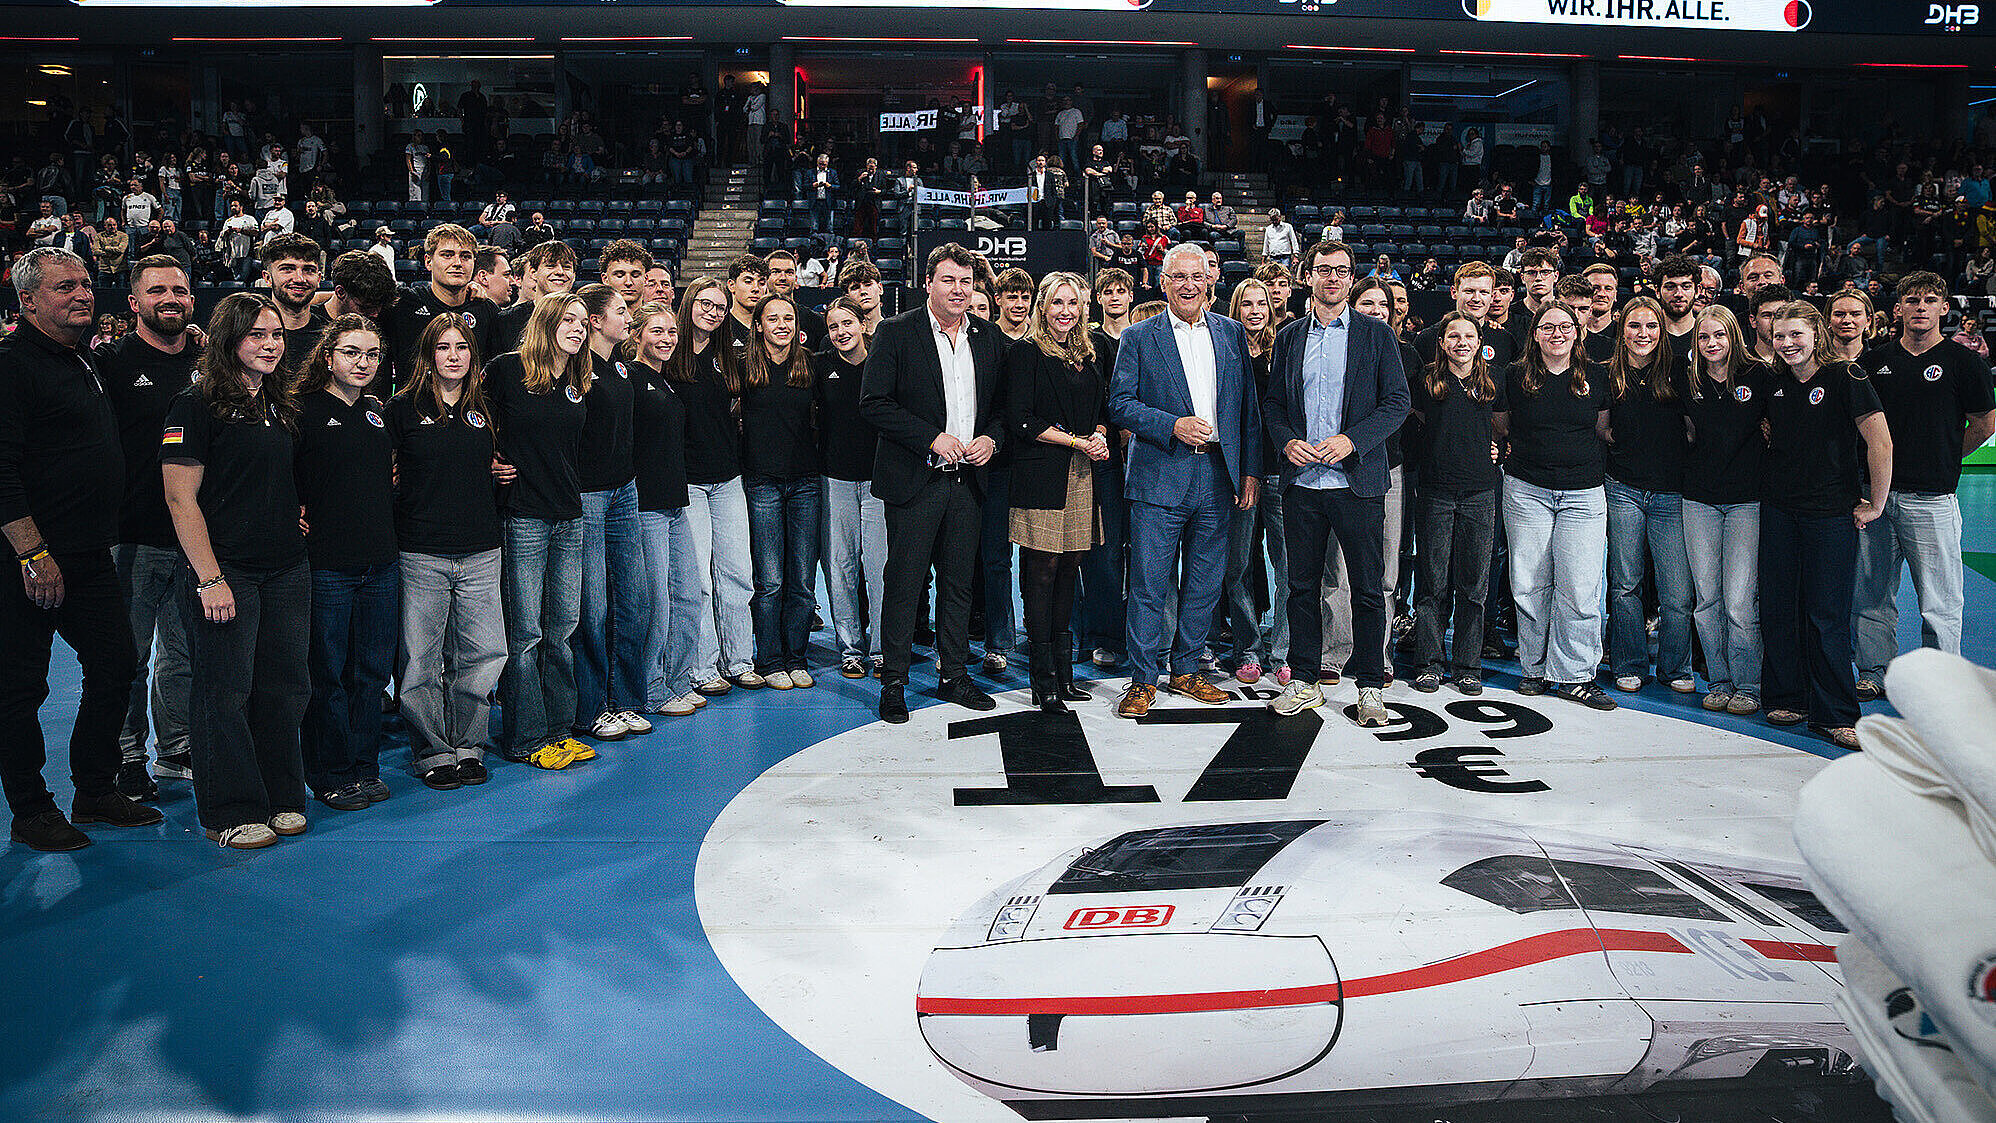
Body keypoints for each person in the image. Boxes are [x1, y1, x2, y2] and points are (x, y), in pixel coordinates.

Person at [0, 248, 159, 852]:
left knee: (116, 665)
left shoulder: (84, 359)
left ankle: (93, 789)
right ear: (28, 299)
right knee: (20, 687)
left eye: (87, 284)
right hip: (28, 560)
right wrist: (30, 551)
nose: (83, 294)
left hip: (89, 554)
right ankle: (30, 808)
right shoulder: (12, 366)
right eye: (65, 286)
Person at [160, 292, 312, 849]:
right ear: (230, 341)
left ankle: (280, 798)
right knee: (224, 692)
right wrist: (209, 577)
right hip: (227, 573)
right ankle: (228, 810)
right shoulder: (194, 404)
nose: (271, 345)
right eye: (257, 335)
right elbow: (181, 500)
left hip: (286, 569)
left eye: (276, 335)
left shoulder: (276, 400)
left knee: (284, 688)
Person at [1109, 243, 1263, 719]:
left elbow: (1248, 411)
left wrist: (1250, 471)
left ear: (1209, 281)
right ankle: (1141, 678)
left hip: (1219, 475)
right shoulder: (1137, 337)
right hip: (1159, 474)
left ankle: (1187, 670)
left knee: (1204, 582)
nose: (1189, 285)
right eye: (1179, 277)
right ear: (1163, 280)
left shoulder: (1233, 333)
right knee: (1150, 585)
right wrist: (1171, 425)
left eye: (1197, 276)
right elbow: (1120, 404)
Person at [860, 243, 1007, 724]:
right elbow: (874, 403)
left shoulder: (988, 337)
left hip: (969, 483)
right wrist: (931, 438)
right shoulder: (895, 332)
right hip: (915, 480)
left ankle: (954, 673)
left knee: (959, 583)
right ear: (929, 283)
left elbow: (1004, 409)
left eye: (966, 281)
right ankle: (895, 681)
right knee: (904, 582)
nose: (958, 290)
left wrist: (991, 437)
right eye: (948, 280)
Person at [1262, 241, 1408, 724]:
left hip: (1358, 482)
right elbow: (1274, 407)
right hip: (1303, 483)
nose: (1333, 278)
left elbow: (1396, 403)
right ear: (1308, 276)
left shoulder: (1375, 334)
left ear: (1351, 278)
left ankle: (1369, 685)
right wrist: (1286, 441)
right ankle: (1304, 680)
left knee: (1367, 589)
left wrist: (1352, 440)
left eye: (1342, 271)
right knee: (1301, 587)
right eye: (1323, 270)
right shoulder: (1288, 337)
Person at [1850, 273, 1994, 700]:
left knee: (1940, 601)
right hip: (1875, 498)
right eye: (1912, 299)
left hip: (1931, 498)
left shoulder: (1966, 363)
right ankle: (1875, 672)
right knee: (1872, 596)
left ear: (1944, 308)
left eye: (1931, 300)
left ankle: (1939, 681)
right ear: (1897, 309)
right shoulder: (1874, 362)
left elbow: (1983, 424)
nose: (1920, 307)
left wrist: (1947, 456)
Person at [1759, 301, 1892, 750]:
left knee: (1827, 613)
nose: (1787, 344)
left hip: (1830, 514)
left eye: (1796, 334)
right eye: (1780, 336)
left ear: (1816, 333)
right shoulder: (1774, 382)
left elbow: (1880, 440)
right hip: (1779, 509)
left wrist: (1877, 503)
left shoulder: (1845, 377)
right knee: (1780, 605)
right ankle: (1786, 697)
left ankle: (1835, 712)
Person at [386, 313, 509, 789]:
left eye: (461, 347)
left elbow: (498, 462)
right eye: (443, 347)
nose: (453, 355)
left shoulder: (486, 410)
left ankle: (469, 746)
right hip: (421, 551)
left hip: (481, 548)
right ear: (428, 356)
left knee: (484, 654)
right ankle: (432, 752)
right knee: (421, 661)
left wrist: (501, 472)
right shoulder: (400, 411)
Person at [98, 257, 198, 802]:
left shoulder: (211, 362)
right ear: (133, 303)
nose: (171, 299)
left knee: (185, 652)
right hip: (130, 535)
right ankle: (126, 754)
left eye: (180, 290)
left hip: (196, 539)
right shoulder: (110, 364)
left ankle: (177, 747)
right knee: (129, 658)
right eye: (157, 290)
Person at [484, 293, 596, 771]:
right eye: (569, 319)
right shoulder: (507, 370)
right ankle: (526, 737)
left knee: (561, 630)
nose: (578, 328)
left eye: (584, 322)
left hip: (569, 515)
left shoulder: (575, 377)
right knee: (525, 633)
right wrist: (485, 461)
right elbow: (474, 422)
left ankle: (559, 729)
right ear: (546, 319)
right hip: (524, 515)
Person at [291, 316, 398, 809]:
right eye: (352, 352)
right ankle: (329, 771)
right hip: (328, 566)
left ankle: (364, 765)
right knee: (327, 674)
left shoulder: (378, 411)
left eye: (372, 354)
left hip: (380, 562)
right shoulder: (302, 411)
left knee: (371, 674)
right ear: (328, 356)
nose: (363, 363)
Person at [1493, 301, 1614, 710]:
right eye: (1548, 327)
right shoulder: (1515, 376)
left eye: (1565, 326)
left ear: (1578, 332)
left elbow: (1602, 427)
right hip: (1527, 489)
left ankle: (1576, 675)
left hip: (1583, 493)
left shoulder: (1596, 376)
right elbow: (1501, 424)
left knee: (1580, 588)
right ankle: (1534, 667)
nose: (1557, 333)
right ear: (1536, 334)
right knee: (1528, 583)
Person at [1005, 272, 1109, 711]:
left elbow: (1102, 408)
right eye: (1056, 303)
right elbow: (1020, 419)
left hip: (1083, 476)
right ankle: (1042, 680)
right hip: (1042, 479)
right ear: (1042, 307)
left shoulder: (1090, 351)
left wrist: (1100, 434)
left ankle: (1064, 678)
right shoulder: (1026, 352)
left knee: (1069, 573)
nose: (1065, 311)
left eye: (1072, 303)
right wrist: (1075, 441)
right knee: (1041, 576)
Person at [570, 284, 653, 742]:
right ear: (596, 321)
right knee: (593, 607)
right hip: (587, 495)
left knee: (632, 600)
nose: (629, 316)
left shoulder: (622, 365)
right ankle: (593, 708)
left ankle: (627, 700)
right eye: (622, 311)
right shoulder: (577, 368)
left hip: (625, 490)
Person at [670, 278, 760, 694]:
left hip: (728, 478)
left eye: (720, 307)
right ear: (688, 304)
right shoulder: (670, 354)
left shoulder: (731, 357)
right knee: (699, 581)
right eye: (704, 304)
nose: (712, 312)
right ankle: (702, 666)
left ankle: (739, 659)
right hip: (687, 481)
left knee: (738, 574)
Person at [1602, 295, 1694, 695]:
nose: (1643, 334)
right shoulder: (1607, 373)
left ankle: (1675, 667)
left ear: (1661, 329)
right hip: (1622, 488)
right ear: (1623, 330)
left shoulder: (1682, 371)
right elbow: (1601, 427)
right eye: (1635, 326)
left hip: (1671, 493)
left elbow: (1694, 429)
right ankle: (1629, 662)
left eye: (1651, 326)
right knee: (1625, 584)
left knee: (1677, 591)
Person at [1408, 312, 1500, 695]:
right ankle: (1429, 662)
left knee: (1474, 586)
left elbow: (1502, 428)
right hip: (1435, 492)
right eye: (1453, 336)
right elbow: (1413, 428)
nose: (1461, 342)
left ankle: (1467, 666)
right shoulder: (1425, 382)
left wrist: (1495, 450)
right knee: (1431, 582)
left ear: (1479, 342)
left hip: (1480, 493)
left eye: (1469, 336)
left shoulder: (1493, 384)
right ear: (1442, 342)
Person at [1680, 304, 1765, 716]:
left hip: (1747, 501)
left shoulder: (1759, 377)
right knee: (1707, 600)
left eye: (1720, 335)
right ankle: (1719, 679)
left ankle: (1749, 684)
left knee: (1738, 601)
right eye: (1703, 337)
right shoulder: (1690, 380)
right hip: (1698, 500)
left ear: (1734, 336)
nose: (1711, 344)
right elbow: (1689, 431)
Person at [624, 301, 704, 718]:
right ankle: (650, 688)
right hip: (646, 506)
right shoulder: (631, 380)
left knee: (688, 596)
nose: (668, 338)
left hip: (675, 503)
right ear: (636, 336)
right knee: (655, 602)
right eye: (657, 331)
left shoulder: (666, 382)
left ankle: (676, 679)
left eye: (672, 331)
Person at [740, 293, 822, 688]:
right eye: (772, 318)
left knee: (803, 580)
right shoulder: (743, 367)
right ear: (759, 325)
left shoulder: (810, 366)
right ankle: (770, 660)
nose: (781, 324)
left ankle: (797, 657)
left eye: (788, 317)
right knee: (770, 580)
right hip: (762, 482)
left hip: (806, 483)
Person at [1220, 277, 1288, 686]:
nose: (1255, 310)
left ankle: (1281, 650)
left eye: (1261, 303)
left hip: (1281, 472)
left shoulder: (1284, 351)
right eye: (1247, 303)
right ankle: (1247, 648)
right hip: (1238, 473)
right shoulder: (1224, 352)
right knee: (1237, 567)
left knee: (1287, 567)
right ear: (1236, 308)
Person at [817, 296, 887, 680]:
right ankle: (850, 648)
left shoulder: (883, 362)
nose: (841, 332)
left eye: (847, 323)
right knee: (840, 568)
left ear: (863, 324)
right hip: (834, 481)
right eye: (833, 327)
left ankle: (880, 648)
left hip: (879, 483)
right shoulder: (819, 366)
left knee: (879, 568)